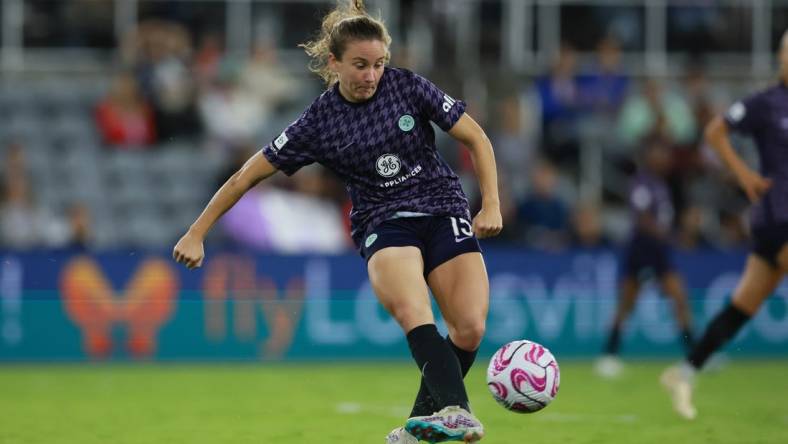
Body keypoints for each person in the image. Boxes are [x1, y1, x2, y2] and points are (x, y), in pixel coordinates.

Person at [172, 1, 502, 442]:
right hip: (385, 224)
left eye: (379, 64)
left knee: (470, 327)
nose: (371, 75)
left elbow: (476, 137)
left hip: (443, 209)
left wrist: (492, 204)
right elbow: (245, 175)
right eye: (360, 65)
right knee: (413, 309)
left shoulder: (407, 87)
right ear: (334, 62)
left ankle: (414, 429)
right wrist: (197, 231)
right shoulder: (319, 122)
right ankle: (456, 410)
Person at [661, 29, 788, 420]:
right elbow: (715, 132)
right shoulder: (766, 103)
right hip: (777, 216)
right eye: (785, 51)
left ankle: (684, 372)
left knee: (742, 306)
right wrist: (744, 175)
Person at [595, 139, 694, 378]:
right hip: (643, 248)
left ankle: (695, 356)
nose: (665, 158)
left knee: (679, 298)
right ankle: (609, 356)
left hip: (659, 249)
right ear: (648, 156)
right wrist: (667, 234)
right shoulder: (642, 182)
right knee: (627, 303)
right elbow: (642, 217)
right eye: (659, 153)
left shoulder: (663, 184)